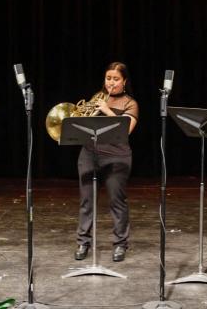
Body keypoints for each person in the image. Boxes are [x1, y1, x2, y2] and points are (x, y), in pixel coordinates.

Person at [74, 62, 139, 263]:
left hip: (117, 157)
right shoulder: (97, 98)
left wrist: (107, 110)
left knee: (116, 202)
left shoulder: (130, 103)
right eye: (108, 78)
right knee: (86, 202)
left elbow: (126, 129)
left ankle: (120, 244)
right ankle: (83, 241)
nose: (111, 82)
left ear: (124, 81)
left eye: (116, 79)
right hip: (89, 154)